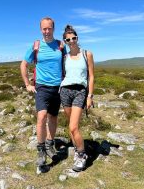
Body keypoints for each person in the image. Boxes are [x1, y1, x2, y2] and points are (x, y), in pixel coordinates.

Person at [20, 17, 66, 168]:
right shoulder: (36, 46)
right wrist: (27, 84)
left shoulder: (60, 45)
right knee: (41, 117)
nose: (47, 31)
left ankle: (49, 145)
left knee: (53, 117)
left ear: (53, 28)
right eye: (44, 29)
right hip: (41, 87)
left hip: (57, 87)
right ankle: (40, 149)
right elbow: (24, 64)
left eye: (49, 28)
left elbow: (68, 62)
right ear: (41, 29)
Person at [59, 25, 94, 172]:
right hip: (65, 91)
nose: (71, 41)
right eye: (68, 39)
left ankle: (81, 155)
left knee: (74, 127)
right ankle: (76, 148)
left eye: (74, 38)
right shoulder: (65, 57)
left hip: (80, 91)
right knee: (70, 126)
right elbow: (62, 75)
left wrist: (90, 96)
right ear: (65, 41)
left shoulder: (87, 54)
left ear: (77, 38)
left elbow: (91, 76)